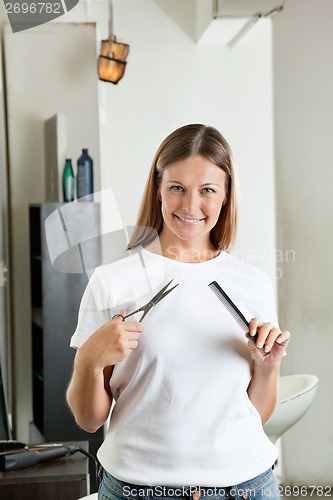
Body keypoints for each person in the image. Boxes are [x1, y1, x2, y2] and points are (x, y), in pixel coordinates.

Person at [66, 124, 290, 500]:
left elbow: (257, 415)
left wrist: (267, 367)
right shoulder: (112, 281)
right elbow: (89, 420)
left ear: (225, 196)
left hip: (248, 487)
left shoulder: (253, 283)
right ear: (158, 190)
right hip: (137, 488)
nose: (190, 206)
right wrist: (88, 361)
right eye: (177, 188)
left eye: (207, 190)